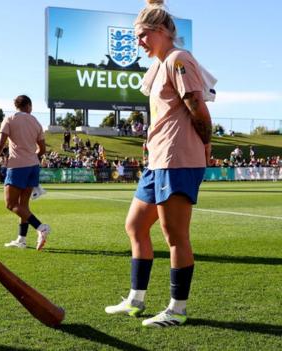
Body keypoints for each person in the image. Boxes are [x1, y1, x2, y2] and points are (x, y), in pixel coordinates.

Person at [105, 0, 213, 328]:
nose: (138, 42)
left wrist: (205, 144)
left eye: (143, 34)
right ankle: (136, 300)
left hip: (177, 159)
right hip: (159, 159)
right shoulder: (161, 63)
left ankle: (177, 310)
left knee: (174, 234)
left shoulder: (179, 59)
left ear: (163, 32)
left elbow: (196, 104)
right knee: (135, 226)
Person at [0, 95, 50, 250]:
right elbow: (42, 149)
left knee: (10, 204)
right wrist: (32, 155)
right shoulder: (35, 122)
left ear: (16, 106)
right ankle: (21, 239)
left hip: (17, 166)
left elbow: (0, 143)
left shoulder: (9, 119)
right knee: (24, 206)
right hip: (33, 166)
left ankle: (41, 227)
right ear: (28, 105)